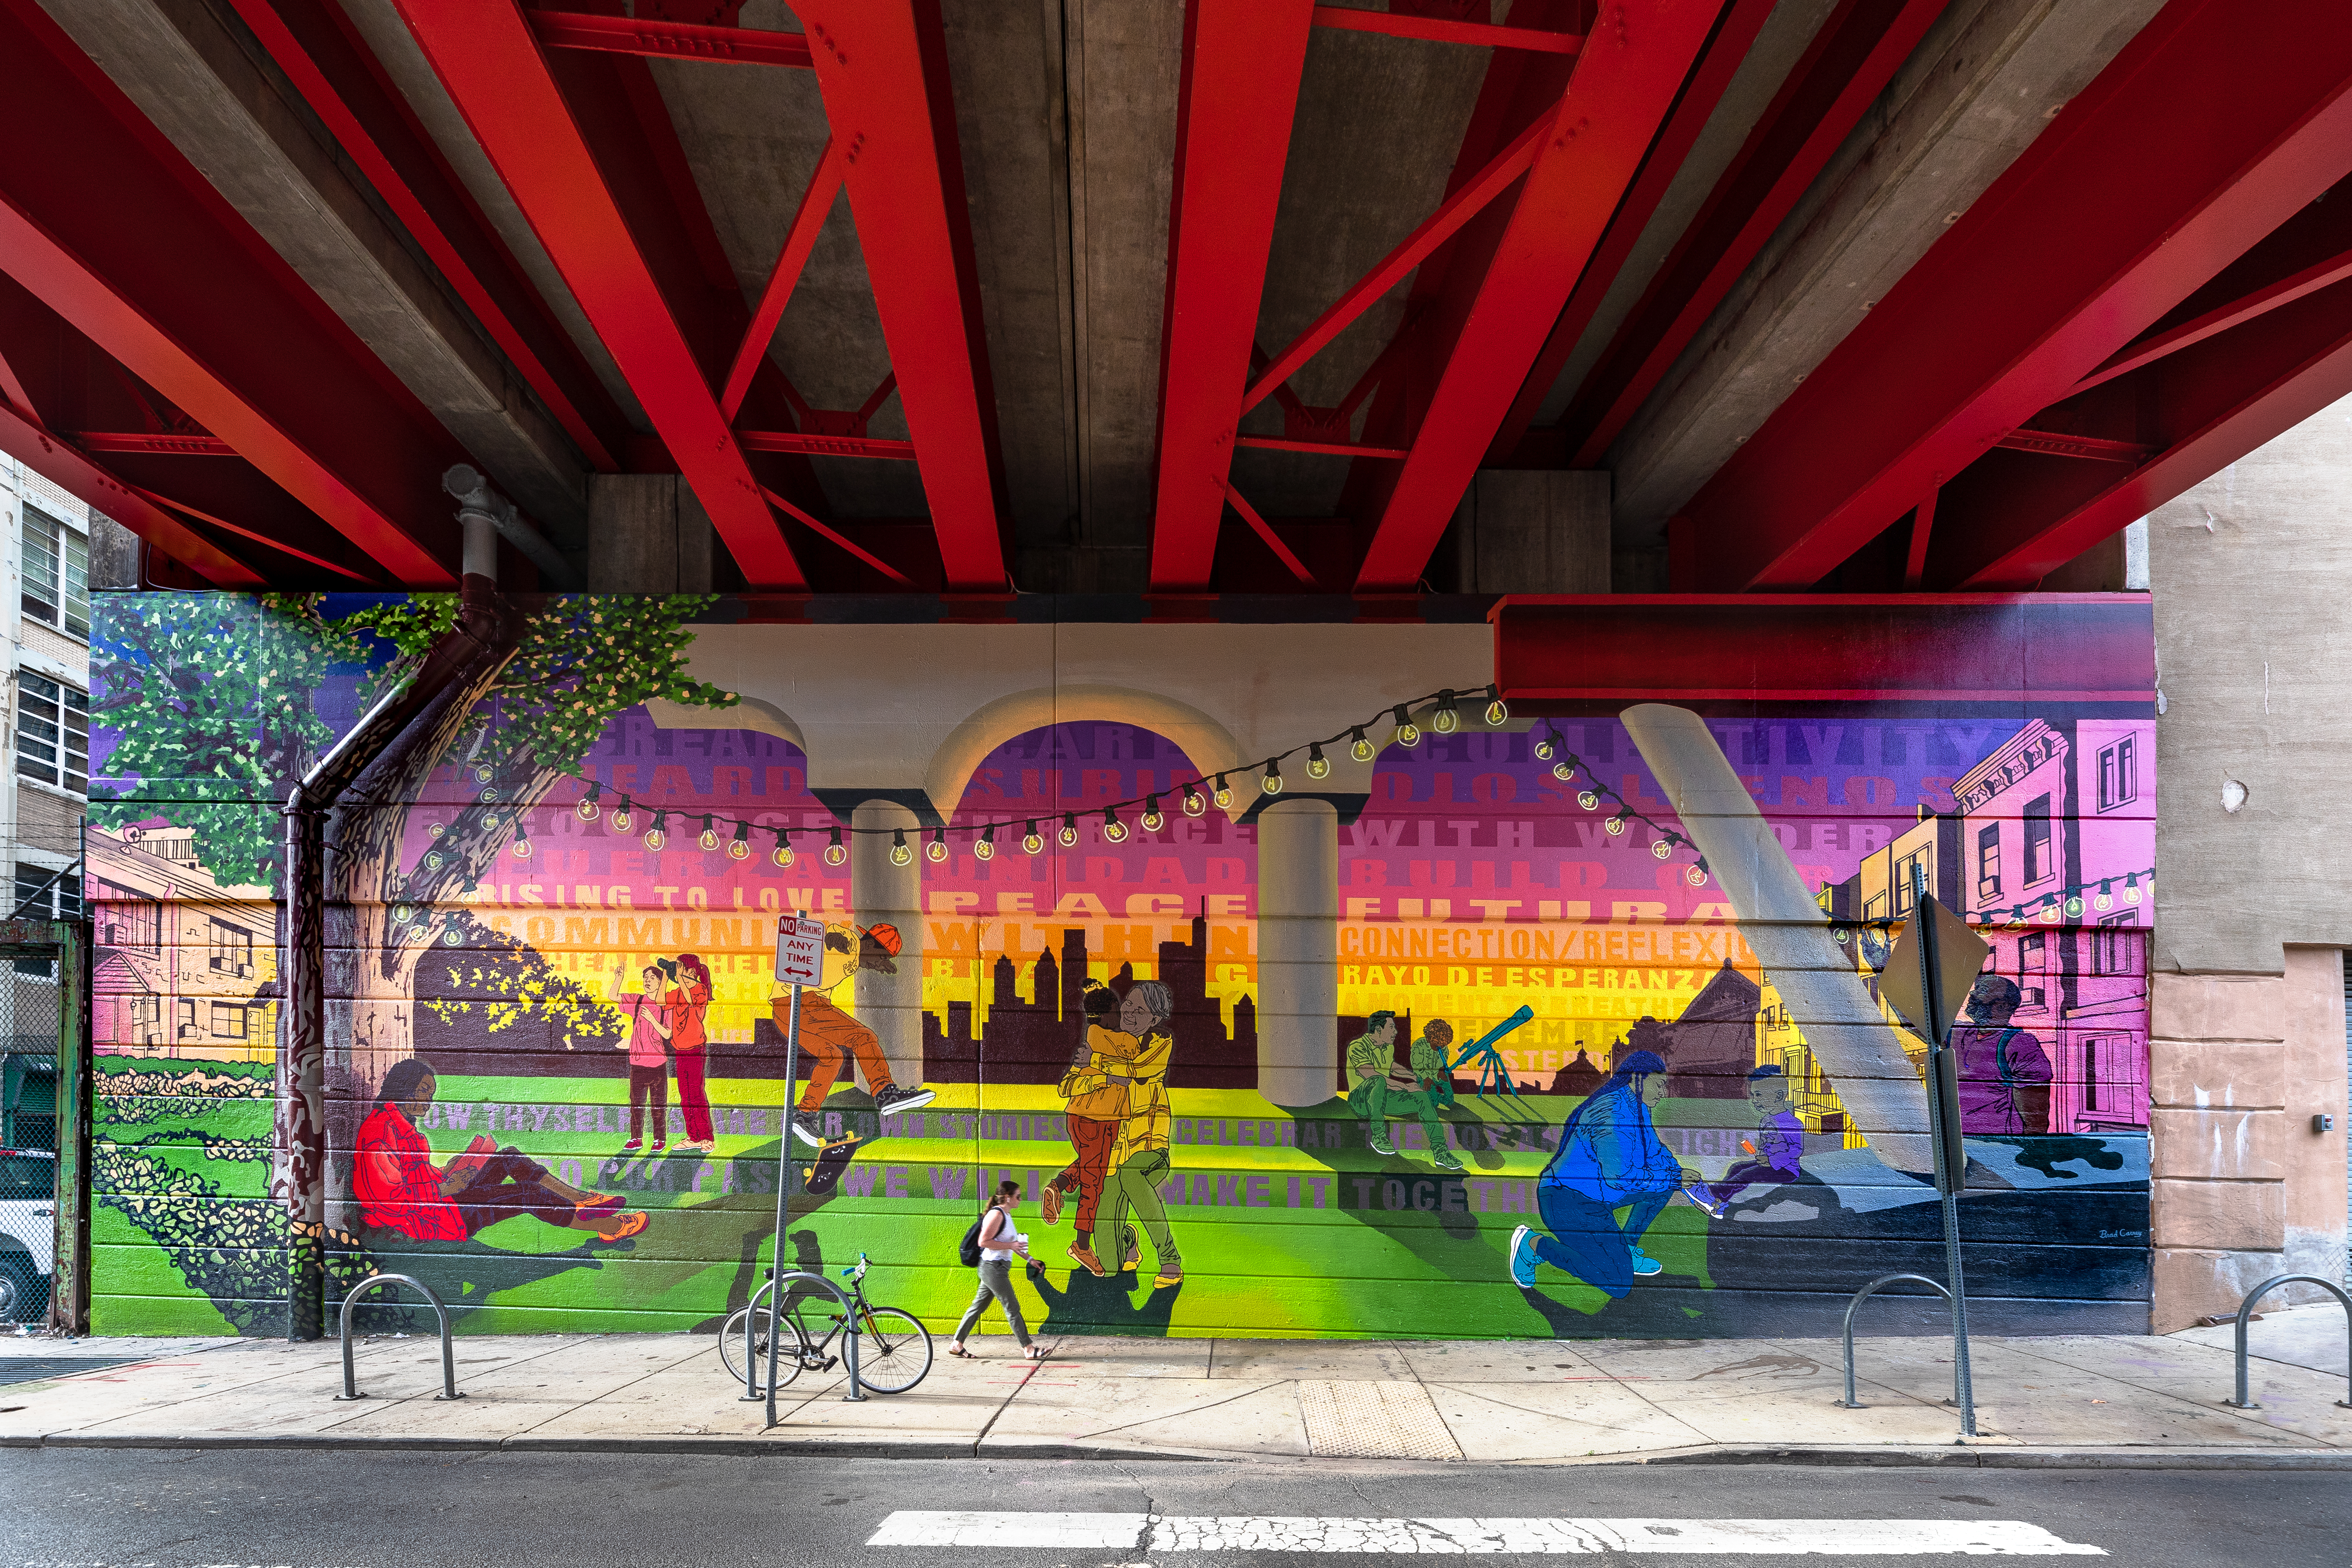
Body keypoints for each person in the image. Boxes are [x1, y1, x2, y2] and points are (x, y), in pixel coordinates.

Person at [354, 1059, 645, 1244]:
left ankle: (582, 1199)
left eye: (430, 1095)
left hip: (439, 1202)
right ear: (403, 1087)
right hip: (433, 1219)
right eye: (423, 1092)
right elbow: (388, 1197)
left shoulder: (400, 1125)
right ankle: (610, 1226)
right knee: (530, 1195)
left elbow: (411, 1178)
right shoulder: (381, 1134)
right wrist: (446, 1186)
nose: (428, 1101)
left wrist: (446, 1172)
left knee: (509, 1157)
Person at [1507, 1049, 1695, 1297]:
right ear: (1638, 1078)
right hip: (1566, 1200)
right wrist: (1672, 1178)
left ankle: (1626, 1249)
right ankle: (1532, 1245)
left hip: (1598, 1196)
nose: (1663, 1092)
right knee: (1617, 1283)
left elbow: (1656, 1150)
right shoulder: (1611, 1111)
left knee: (1664, 1185)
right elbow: (1618, 1177)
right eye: (1659, 1085)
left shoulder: (1639, 1108)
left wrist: (1685, 1180)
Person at [773, 922, 936, 1148]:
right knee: (864, 1037)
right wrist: (833, 939)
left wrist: (878, 964)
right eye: (881, 958)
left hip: (786, 1010)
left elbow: (857, 956)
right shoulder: (849, 942)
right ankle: (885, 1093)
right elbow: (835, 935)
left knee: (832, 1058)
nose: (878, 965)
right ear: (872, 944)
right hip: (804, 1003)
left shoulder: (858, 956)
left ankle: (803, 1115)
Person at [1042, 985, 1137, 1273]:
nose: (1121, 1017)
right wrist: (1109, 1074)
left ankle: (1058, 1187)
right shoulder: (1108, 1038)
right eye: (1117, 1012)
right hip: (1099, 1120)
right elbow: (1129, 1065)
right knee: (1093, 1185)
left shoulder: (1094, 1038)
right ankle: (1082, 1245)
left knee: (1089, 1167)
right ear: (1106, 1015)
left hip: (1083, 1118)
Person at [1093, 981, 1182, 1289]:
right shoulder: (1110, 1041)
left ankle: (1170, 1260)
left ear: (1155, 1019)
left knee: (1133, 1176)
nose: (1129, 1013)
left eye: (1140, 1009)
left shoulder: (1160, 1040)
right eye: (1128, 1005)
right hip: (1115, 1153)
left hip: (1150, 1148)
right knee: (1109, 1263)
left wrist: (1096, 1064)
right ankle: (1128, 1239)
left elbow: (1139, 1070)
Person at [1346, 1011, 1463, 1171]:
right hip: (1360, 1102)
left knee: (1422, 1097)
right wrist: (1405, 1086)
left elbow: (1393, 1067)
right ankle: (1379, 1136)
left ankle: (1440, 1152)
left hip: (1383, 1099)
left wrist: (1413, 1076)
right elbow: (1370, 1075)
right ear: (1379, 1029)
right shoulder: (1358, 1046)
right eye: (1392, 1027)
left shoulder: (1387, 1048)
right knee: (1378, 1081)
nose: (1395, 1032)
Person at [1688, 1064, 1805, 1217]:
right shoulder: (1766, 1119)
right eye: (1753, 1095)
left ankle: (1713, 1194)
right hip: (1767, 1164)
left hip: (1786, 1170)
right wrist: (1761, 1155)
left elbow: (1797, 1150)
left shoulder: (1792, 1123)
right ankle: (1719, 1204)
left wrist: (1772, 1160)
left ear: (1778, 1096)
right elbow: (1766, 1143)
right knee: (1737, 1167)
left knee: (1746, 1175)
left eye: (1759, 1095)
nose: (1754, 1100)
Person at [949, 1179, 1044, 1361]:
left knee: (978, 1307)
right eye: (1018, 1196)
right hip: (993, 1268)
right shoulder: (997, 1214)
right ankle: (1029, 1348)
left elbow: (1013, 1246)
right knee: (1012, 1308)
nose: (1021, 1199)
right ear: (1007, 1198)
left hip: (995, 1268)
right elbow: (983, 1242)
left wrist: (1031, 1260)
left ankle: (957, 1344)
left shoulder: (1007, 1216)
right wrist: (1011, 1244)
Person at [1950, 973, 2052, 1136]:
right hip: (1959, 1141)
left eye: (1983, 991)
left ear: (2002, 1007)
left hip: (1998, 1145)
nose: (1973, 994)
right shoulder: (1960, 1034)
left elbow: (2035, 1119)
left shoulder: (2020, 1045)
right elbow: (1917, 1021)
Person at [606, 961, 674, 1153]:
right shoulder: (636, 1001)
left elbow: (668, 1034)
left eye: (653, 978)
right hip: (637, 1064)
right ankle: (636, 1139)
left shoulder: (664, 1006)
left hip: (658, 1064)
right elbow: (613, 996)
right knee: (636, 1106)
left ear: (660, 983)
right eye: (646, 978)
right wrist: (619, 978)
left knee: (658, 1108)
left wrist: (652, 1019)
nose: (648, 981)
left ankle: (659, 1140)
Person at [669, 952, 716, 1152]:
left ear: (692, 972)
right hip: (680, 1050)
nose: (678, 975)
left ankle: (707, 1138)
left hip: (696, 1049)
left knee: (696, 1095)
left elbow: (690, 1001)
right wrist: (666, 974)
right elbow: (660, 998)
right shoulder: (677, 991)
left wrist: (680, 978)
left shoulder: (700, 990)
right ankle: (693, 1136)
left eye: (681, 970)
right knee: (685, 1096)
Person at [1412, 1019, 1458, 1110]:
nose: (1441, 1048)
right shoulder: (1418, 1045)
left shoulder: (1443, 1046)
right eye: (1438, 1046)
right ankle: (1428, 1097)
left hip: (1439, 1073)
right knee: (1434, 1104)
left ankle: (1435, 1096)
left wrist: (1441, 1070)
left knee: (1450, 1101)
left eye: (1443, 1046)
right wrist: (1426, 1078)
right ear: (1430, 1039)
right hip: (1425, 1076)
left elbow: (1445, 1057)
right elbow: (1417, 1065)